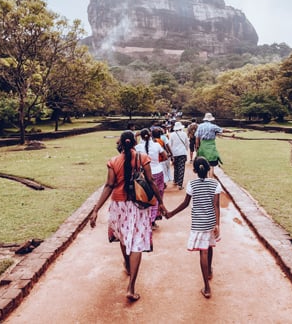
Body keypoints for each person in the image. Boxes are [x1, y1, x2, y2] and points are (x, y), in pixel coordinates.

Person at [90, 130, 167, 302]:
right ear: (134, 143)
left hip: (119, 205)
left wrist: (96, 210)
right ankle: (131, 287)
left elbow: (109, 186)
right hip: (138, 205)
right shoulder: (143, 158)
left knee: (124, 238)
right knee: (137, 243)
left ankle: (126, 263)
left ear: (121, 144)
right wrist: (160, 202)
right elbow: (151, 181)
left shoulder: (113, 162)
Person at [165, 157, 222, 299]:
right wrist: (217, 224)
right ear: (208, 168)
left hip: (198, 224)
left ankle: (207, 288)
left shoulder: (192, 184)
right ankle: (209, 271)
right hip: (210, 222)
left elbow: (185, 203)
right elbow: (216, 205)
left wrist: (171, 213)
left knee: (202, 251)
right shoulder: (215, 184)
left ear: (195, 170)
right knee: (209, 247)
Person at [135, 128, 167, 228]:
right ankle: (153, 218)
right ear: (150, 136)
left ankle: (146, 218)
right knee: (158, 195)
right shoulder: (157, 145)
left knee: (145, 195)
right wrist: (156, 162)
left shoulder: (138, 147)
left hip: (144, 174)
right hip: (157, 171)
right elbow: (165, 157)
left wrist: (136, 135)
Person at [195, 112, 223, 177]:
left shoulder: (200, 126)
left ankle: (204, 178)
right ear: (211, 119)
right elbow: (221, 130)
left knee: (202, 163)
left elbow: (197, 137)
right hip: (211, 146)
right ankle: (210, 180)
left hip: (203, 146)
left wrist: (197, 147)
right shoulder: (213, 127)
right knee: (211, 165)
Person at [168, 121, 189, 189]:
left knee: (176, 167)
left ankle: (176, 180)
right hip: (182, 152)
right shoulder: (184, 134)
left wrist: (171, 153)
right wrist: (186, 149)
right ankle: (180, 184)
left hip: (174, 153)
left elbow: (170, 144)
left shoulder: (172, 134)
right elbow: (186, 143)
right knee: (181, 168)